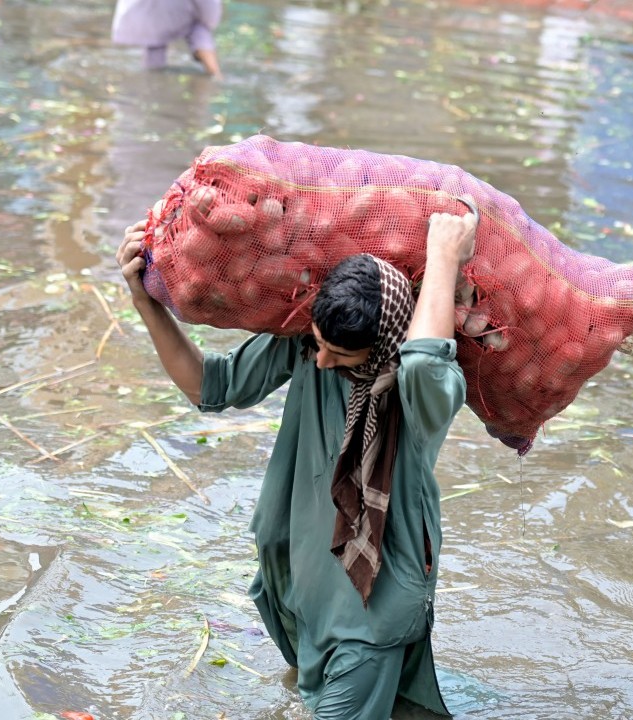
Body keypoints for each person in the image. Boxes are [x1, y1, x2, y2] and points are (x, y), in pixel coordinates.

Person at [115, 208, 478, 717]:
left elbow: (422, 359)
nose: (322, 361)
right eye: (319, 344)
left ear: (380, 349)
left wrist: (443, 255)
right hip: (293, 588)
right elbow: (209, 386)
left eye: (340, 356)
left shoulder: (420, 392)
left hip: (368, 616)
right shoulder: (309, 344)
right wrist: (145, 302)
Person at [111, 0, 224, 78]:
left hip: (149, 13)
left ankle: (153, 79)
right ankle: (215, 74)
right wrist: (209, 21)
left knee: (154, 44)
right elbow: (209, 10)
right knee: (199, 29)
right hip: (167, 10)